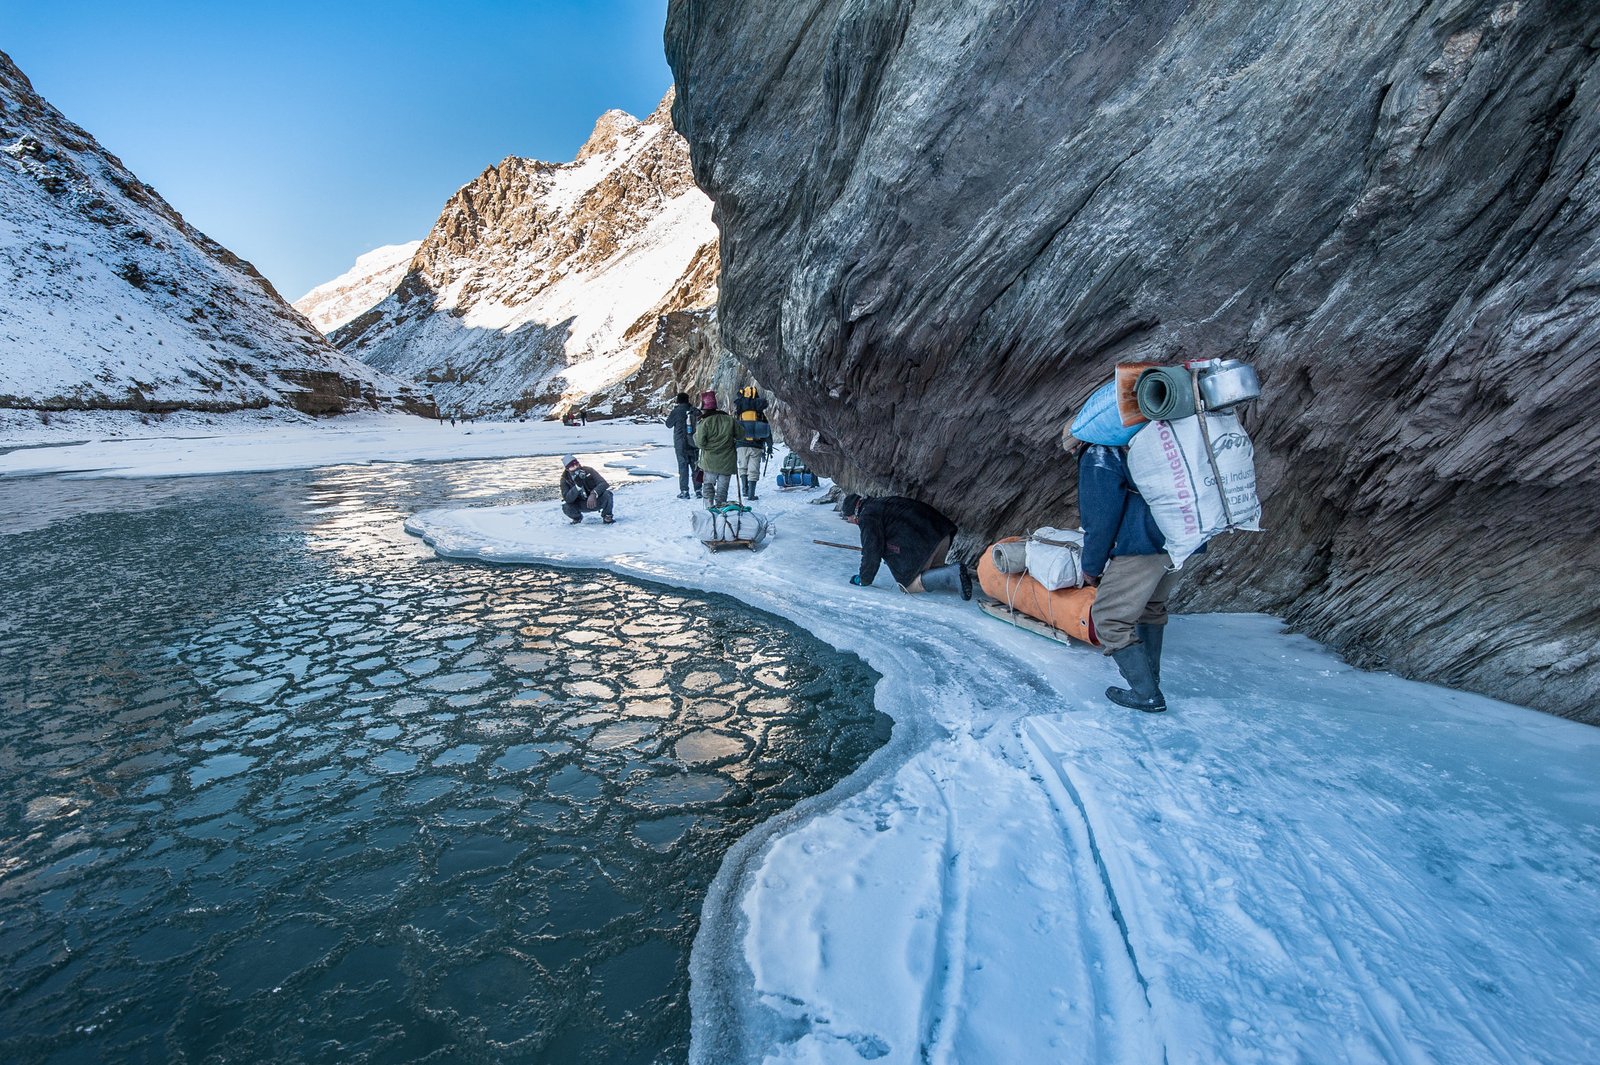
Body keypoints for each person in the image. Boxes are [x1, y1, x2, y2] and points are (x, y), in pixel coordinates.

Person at [1073, 433, 1196, 713]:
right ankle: (1151, 679)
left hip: (1146, 540)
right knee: (1151, 606)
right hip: (1184, 535)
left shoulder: (1099, 452)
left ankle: (1145, 693)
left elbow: (1100, 518)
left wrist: (1091, 567)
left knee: (1108, 616)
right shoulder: (1152, 441)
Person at [842, 493, 973, 599]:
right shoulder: (880, 503)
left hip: (926, 541)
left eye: (851, 520)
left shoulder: (867, 516)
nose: (853, 523)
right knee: (931, 571)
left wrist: (864, 579)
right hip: (942, 532)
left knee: (908, 585)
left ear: (854, 514)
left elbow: (871, 551)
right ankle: (957, 574)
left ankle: (952, 573)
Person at [692, 390, 737, 506]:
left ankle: (709, 512)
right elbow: (741, 435)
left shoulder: (704, 422)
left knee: (708, 488)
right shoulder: (729, 419)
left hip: (709, 463)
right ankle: (721, 515)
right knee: (722, 493)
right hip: (727, 463)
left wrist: (695, 437)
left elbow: (700, 444)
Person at [733, 384, 774, 500]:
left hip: (741, 444)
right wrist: (769, 446)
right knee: (753, 469)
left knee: (743, 467)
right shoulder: (760, 414)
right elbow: (767, 430)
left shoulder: (739, 413)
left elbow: (734, 429)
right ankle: (751, 494)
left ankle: (744, 490)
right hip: (756, 445)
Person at [560, 454, 614, 524]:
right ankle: (577, 518)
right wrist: (577, 487)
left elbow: (603, 483)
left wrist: (594, 493)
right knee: (566, 505)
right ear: (567, 469)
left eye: (576, 464)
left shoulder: (589, 470)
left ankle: (607, 516)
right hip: (580, 504)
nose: (576, 467)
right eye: (572, 466)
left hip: (595, 501)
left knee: (608, 494)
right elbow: (567, 498)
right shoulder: (564, 479)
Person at [664, 392, 700, 499]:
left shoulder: (676, 411)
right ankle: (698, 490)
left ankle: (684, 491)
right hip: (694, 443)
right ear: (688, 400)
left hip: (681, 444)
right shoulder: (694, 411)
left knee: (683, 467)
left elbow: (668, 424)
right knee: (696, 467)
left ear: (678, 401)